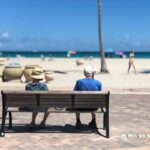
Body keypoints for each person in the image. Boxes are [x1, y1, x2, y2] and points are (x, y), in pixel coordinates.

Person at [74, 65, 102, 129]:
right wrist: (93, 76)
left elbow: (74, 93)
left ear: (84, 73)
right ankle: (94, 120)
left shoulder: (79, 82)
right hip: (93, 107)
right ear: (92, 73)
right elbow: (98, 95)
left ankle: (78, 120)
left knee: (77, 102)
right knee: (93, 100)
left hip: (80, 107)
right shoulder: (98, 83)